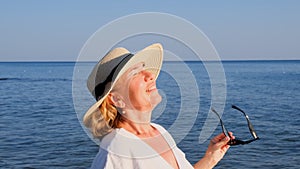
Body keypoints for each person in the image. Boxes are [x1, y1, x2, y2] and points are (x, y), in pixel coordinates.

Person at [83, 43, 234, 169]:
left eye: (143, 68)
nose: (149, 75)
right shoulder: (114, 151)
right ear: (116, 99)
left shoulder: (159, 131)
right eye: (135, 73)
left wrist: (210, 158)